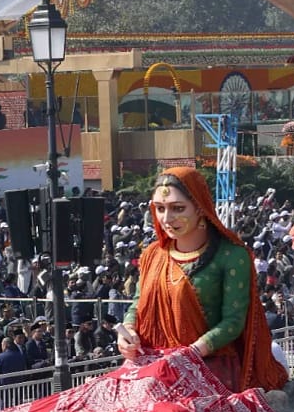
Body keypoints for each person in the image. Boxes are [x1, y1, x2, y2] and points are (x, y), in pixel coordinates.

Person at [119, 167, 285, 393]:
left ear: (199, 207)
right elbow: (138, 304)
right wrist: (128, 333)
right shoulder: (153, 254)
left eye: (177, 208)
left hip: (209, 366)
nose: (167, 219)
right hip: (152, 362)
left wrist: (191, 354)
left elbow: (233, 323)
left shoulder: (232, 256)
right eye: (159, 209)